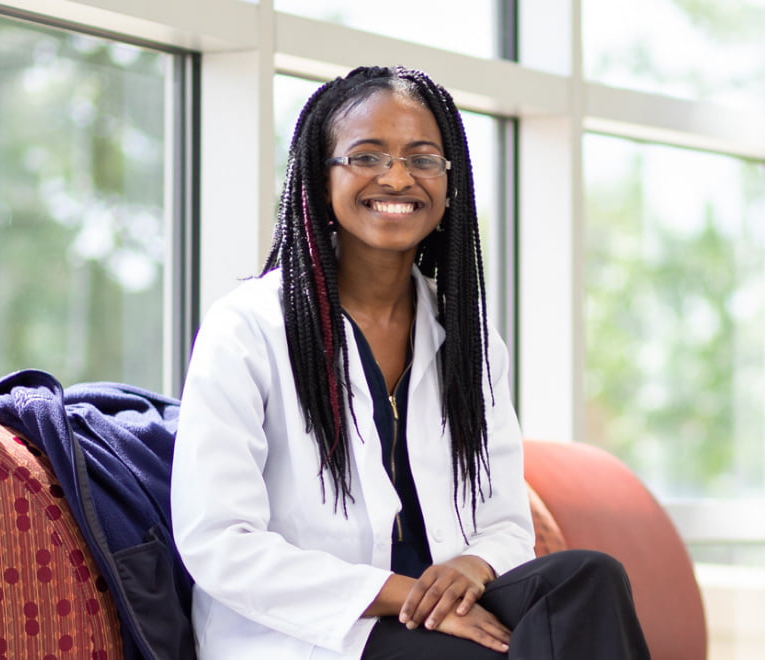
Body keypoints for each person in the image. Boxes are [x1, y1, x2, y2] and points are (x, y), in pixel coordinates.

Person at [171, 66, 651, 660]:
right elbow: (220, 543)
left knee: (589, 579)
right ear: (322, 182)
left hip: (440, 609)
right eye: (367, 157)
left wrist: (473, 566)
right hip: (313, 630)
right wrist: (403, 595)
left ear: (450, 185)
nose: (397, 177)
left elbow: (506, 524)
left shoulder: (468, 340)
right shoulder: (246, 327)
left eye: (423, 159)